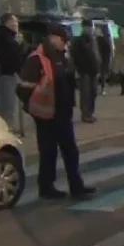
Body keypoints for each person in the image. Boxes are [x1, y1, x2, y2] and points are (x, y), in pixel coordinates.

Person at [16, 24, 95, 200]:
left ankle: (76, 186)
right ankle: (46, 187)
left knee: (70, 151)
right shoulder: (37, 59)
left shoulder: (62, 57)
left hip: (62, 111)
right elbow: (23, 88)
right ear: (53, 38)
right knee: (48, 152)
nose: (66, 44)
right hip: (45, 115)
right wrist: (35, 104)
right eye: (63, 40)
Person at [0, 13, 26, 131]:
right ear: (7, 23)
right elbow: (14, 57)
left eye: (16, 22)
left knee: (7, 104)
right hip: (5, 75)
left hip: (7, 74)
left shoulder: (7, 37)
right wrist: (19, 45)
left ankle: (3, 127)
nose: (16, 24)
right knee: (8, 104)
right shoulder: (5, 38)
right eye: (14, 21)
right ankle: (4, 129)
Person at [70, 23, 100, 123]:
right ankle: (86, 114)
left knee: (93, 92)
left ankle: (90, 112)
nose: (90, 29)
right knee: (86, 93)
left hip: (93, 71)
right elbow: (75, 55)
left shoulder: (93, 40)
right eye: (88, 27)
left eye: (91, 27)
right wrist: (78, 67)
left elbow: (96, 55)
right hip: (84, 71)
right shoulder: (79, 40)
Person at [95, 21, 114, 96]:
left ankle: (100, 89)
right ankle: (102, 89)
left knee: (99, 75)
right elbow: (108, 51)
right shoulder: (103, 40)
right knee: (101, 75)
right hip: (102, 60)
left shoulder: (97, 40)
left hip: (100, 60)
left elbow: (107, 51)